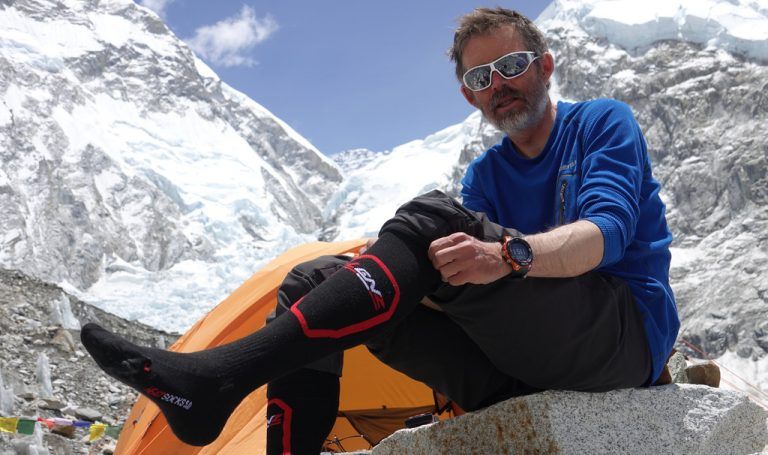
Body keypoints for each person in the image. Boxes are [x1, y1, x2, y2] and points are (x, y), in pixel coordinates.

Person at [80, 7, 680, 453]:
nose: (498, 85)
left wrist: (509, 253)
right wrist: (383, 271)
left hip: (621, 343)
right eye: (479, 79)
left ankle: (221, 376)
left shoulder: (601, 123)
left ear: (545, 66)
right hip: (516, 367)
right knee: (313, 280)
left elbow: (608, 233)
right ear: (470, 98)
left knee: (436, 218)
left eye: (511, 66)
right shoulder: (488, 173)